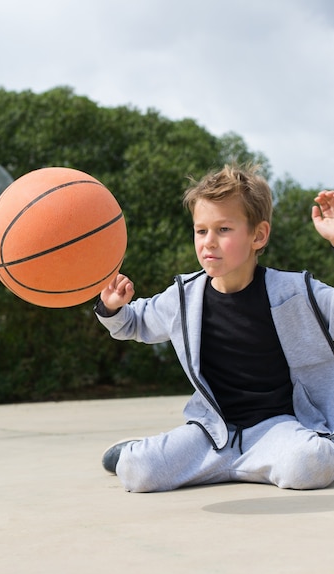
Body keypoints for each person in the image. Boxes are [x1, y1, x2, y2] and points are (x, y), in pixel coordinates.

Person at [94, 164, 334, 493]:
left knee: (311, 463)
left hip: (279, 428)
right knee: (137, 471)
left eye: (223, 230)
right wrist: (112, 307)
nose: (209, 242)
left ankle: (225, 466)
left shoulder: (297, 292)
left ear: (258, 235)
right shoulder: (184, 297)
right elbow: (133, 323)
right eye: (201, 230)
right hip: (213, 433)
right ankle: (159, 453)